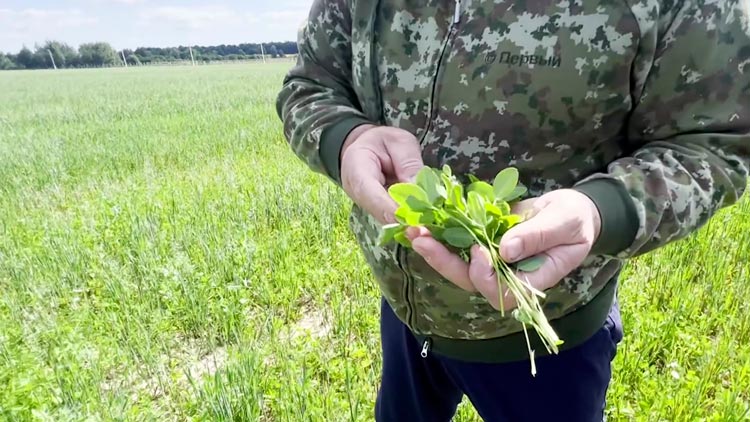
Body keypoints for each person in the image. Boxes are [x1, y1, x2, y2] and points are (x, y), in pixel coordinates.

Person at [276, 0, 750, 420]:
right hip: (404, 311)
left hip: (549, 329)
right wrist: (345, 140)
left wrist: (600, 209)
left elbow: (716, 143)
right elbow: (311, 83)